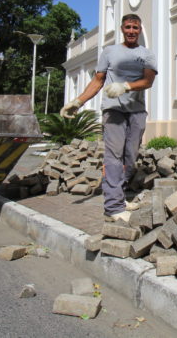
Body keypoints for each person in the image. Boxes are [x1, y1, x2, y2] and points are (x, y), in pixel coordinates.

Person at [60, 14, 157, 222]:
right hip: (113, 110)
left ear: (140, 30)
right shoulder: (109, 52)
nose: (131, 31)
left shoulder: (147, 54)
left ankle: (119, 196)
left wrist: (125, 86)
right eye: (128, 27)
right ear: (122, 29)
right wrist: (78, 101)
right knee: (113, 156)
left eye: (135, 28)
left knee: (130, 156)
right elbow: (98, 81)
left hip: (137, 110)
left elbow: (148, 81)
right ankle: (113, 207)